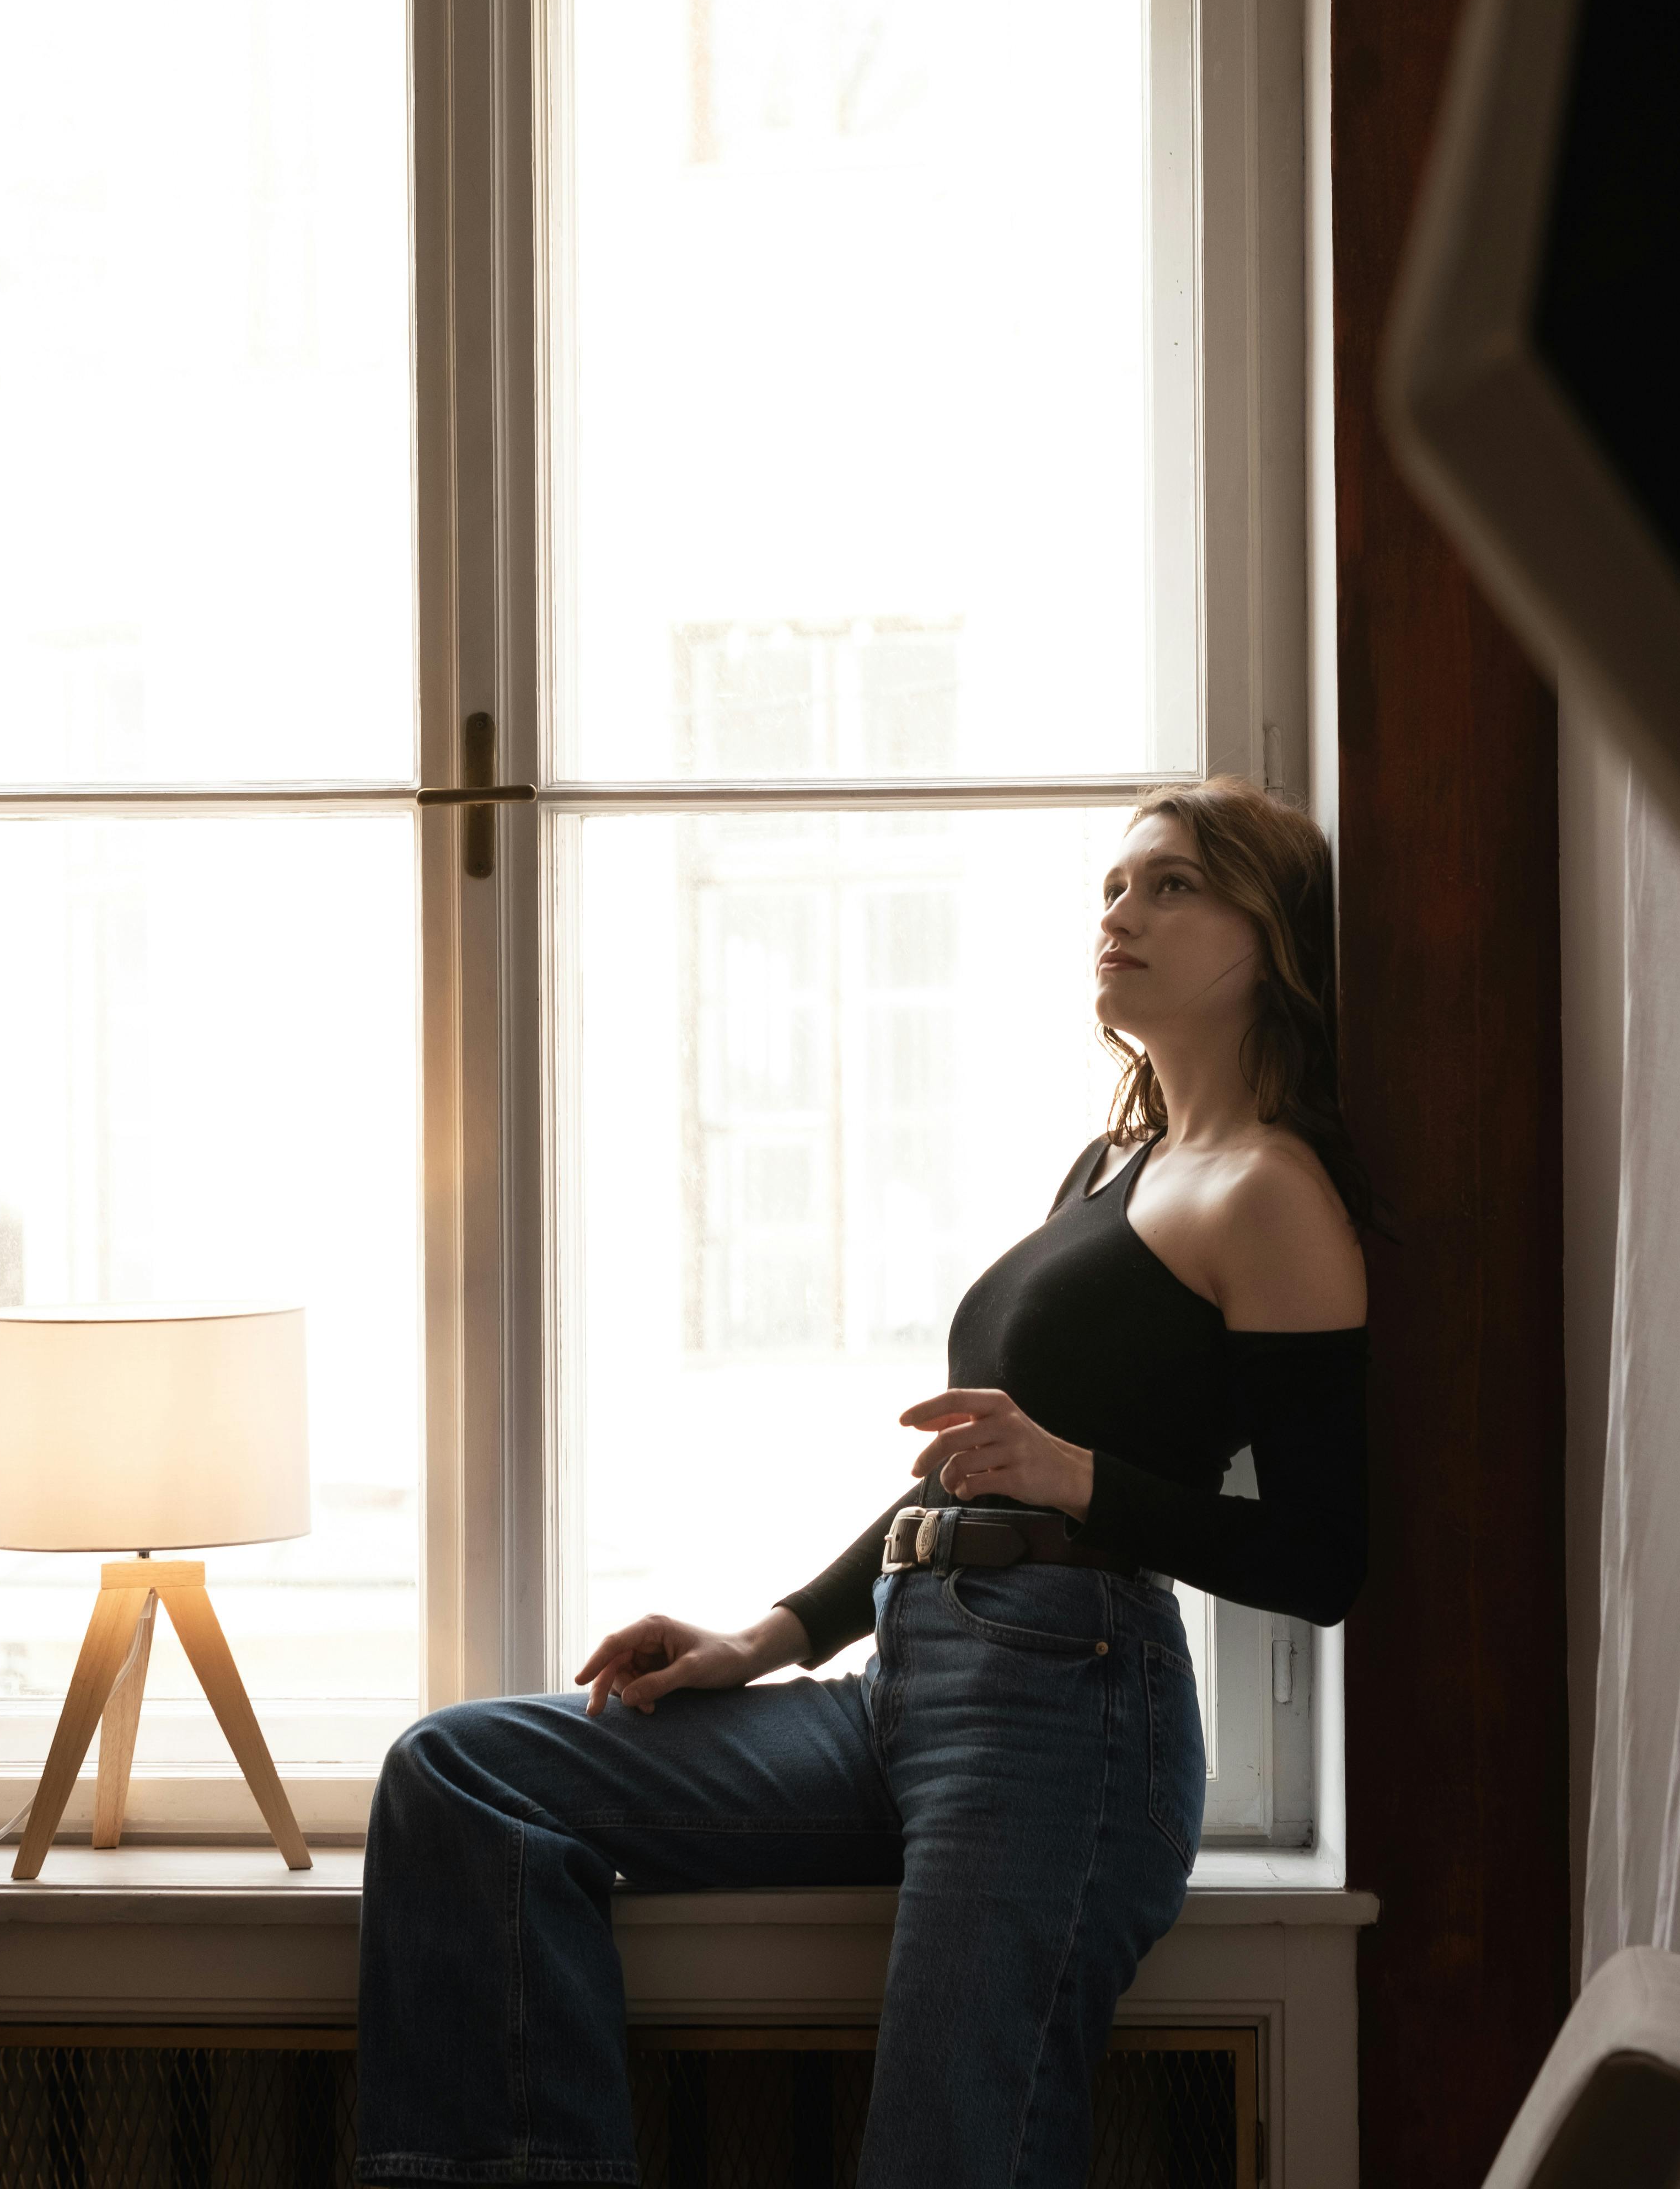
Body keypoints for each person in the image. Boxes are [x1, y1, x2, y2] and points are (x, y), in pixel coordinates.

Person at [358, 777, 1371, 2187]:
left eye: (1173, 885)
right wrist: (765, 1637)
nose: (1121, 911)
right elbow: (960, 1480)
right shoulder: (1110, 1165)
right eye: (1113, 887)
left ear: (1270, 935)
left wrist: (1083, 1479)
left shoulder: (1276, 1195)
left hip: (1068, 1722)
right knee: (462, 1774)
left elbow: (1325, 1559)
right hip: (906, 1681)